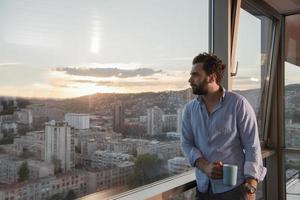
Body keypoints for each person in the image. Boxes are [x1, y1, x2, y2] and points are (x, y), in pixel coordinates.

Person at [180, 53, 266, 200]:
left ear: (212, 77)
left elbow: (252, 146)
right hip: (203, 190)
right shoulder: (189, 110)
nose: (190, 80)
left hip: (235, 190)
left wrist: (251, 186)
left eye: (195, 75)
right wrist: (205, 167)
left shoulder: (238, 104)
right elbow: (186, 144)